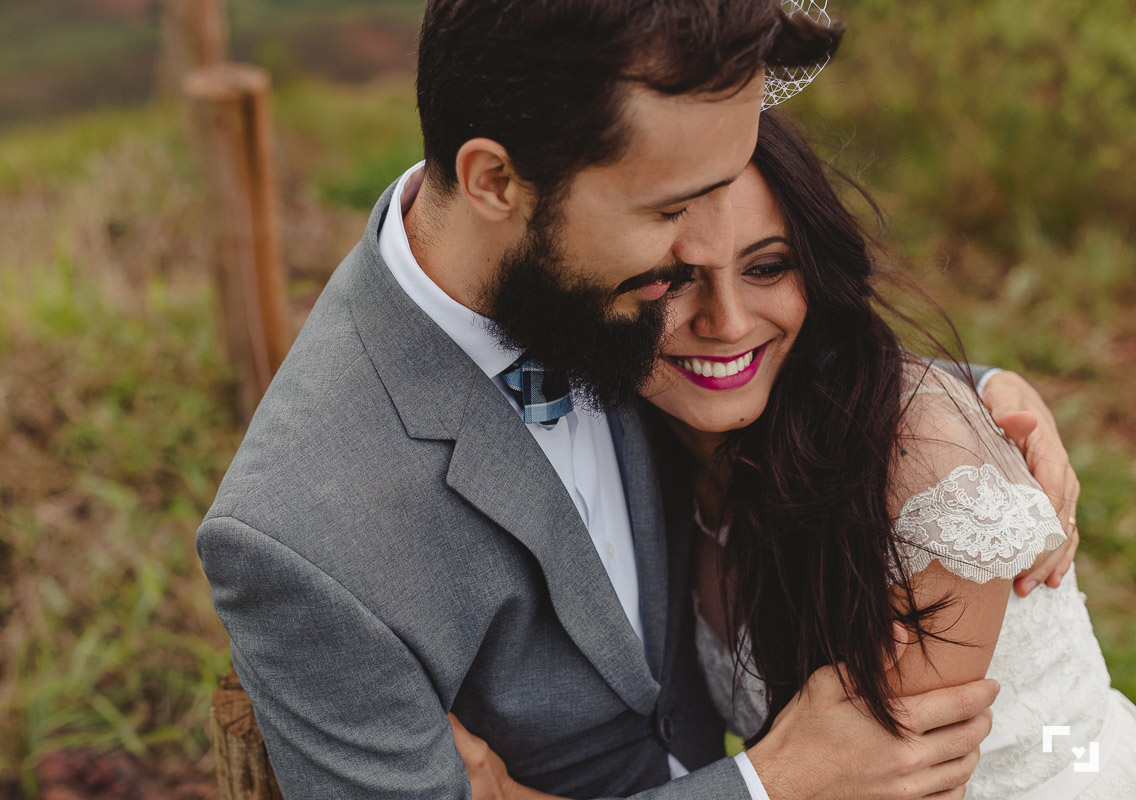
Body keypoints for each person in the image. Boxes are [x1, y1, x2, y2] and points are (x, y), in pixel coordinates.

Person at [196, 2, 1079, 797]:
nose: (702, 251)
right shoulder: (298, 541)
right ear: (494, 183)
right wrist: (766, 786)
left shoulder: (579, 253)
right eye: (672, 211)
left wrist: (973, 401)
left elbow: (748, 357)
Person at [450, 112, 1135, 799]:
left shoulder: (936, 485)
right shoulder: (642, 427)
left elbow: (887, 788)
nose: (729, 323)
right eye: (671, 280)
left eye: (767, 266)